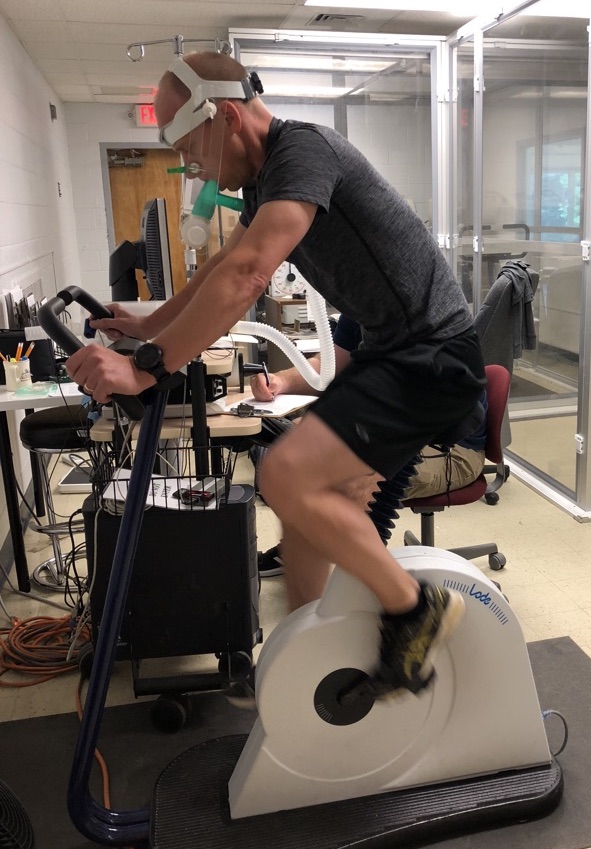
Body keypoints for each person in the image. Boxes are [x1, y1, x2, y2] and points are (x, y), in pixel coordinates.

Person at [65, 50, 487, 705]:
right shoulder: (263, 183)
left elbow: (248, 275)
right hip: (392, 354)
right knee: (303, 521)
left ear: (226, 117)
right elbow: (219, 268)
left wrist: (147, 371)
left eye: (190, 149)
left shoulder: (303, 152)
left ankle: (413, 610)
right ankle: (305, 665)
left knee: (281, 473)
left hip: (430, 356)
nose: (193, 168)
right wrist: (148, 330)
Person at [251, 314, 487, 577]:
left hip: (450, 447)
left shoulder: (417, 308)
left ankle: (384, 590)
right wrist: (280, 381)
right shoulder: (359, 306)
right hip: (395, 430)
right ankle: (306, 552)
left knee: (329, 480)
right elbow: (329, 367)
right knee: (292, 459)